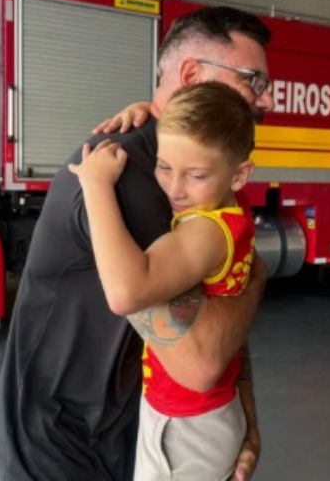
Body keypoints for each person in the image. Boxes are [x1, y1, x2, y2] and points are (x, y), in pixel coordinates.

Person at [0, 6, 274, 480]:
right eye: (253, 80)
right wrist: (257, 275)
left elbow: (218, 298)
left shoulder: (195, 179)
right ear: (190, 74)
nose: (263, 100)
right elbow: (200, 362)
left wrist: (244, 419)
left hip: (120, 435)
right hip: (58, 451)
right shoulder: (130, 177)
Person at [70, 82, 258, 479]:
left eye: (196, 175)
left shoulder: (205, 233)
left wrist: (95, 185)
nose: (175, 188)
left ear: (239, 175)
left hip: (187, 426)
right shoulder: (233, 204)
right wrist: (154, 113)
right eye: (165, 165)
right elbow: (194, 139)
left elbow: (126, 293)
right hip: (202, 411)